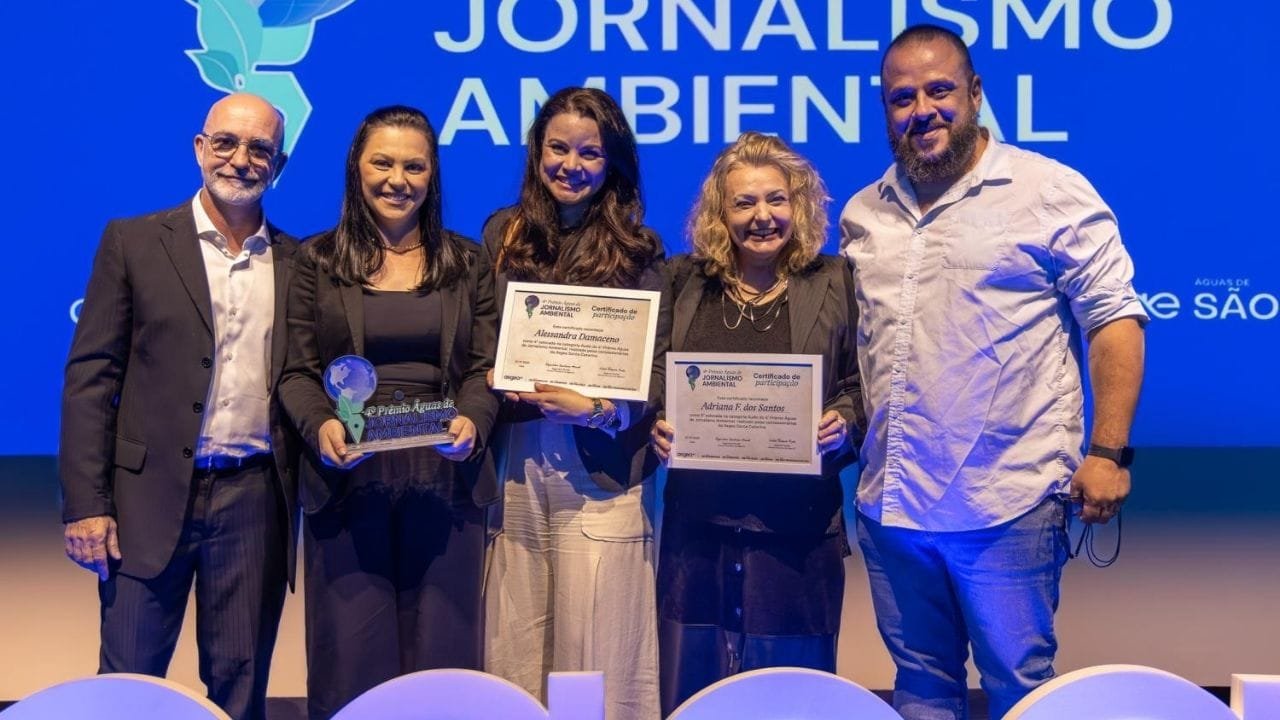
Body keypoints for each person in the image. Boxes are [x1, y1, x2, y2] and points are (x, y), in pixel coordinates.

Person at [840, 24, 1148, 720]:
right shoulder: (864, 213)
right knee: (921, 687)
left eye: (939, 90)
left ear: (975, 93)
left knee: (1020, 688)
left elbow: (1115, 320)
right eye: (902, 98)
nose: (922, 110)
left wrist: (1108, 453)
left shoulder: (1049, 191)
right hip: (893, 506)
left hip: (1007, 499)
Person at [59, 93, 298, 720]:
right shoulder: (134, 242)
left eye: (260, 149)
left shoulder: (301, 262)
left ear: (279, 165)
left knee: (240, 688)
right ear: (199, 148)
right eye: (226, 142)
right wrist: (86, 504)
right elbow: (91, 378)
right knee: (129, 688)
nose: (241, 159)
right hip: (145, 501)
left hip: (253, 500)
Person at [278, 105, 498, 720]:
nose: (398, 179)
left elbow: (485, 369)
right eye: (383, 163)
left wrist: (473, 420)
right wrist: (321, 425)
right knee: (352, 664)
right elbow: (296, 372)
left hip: (446, 482)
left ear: (432, 175)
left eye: (414, 166)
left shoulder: (467, 261)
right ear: (357, 167)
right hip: (349, 481)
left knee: (443, 664)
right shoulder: (317, 261)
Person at [649, 131, 865, 715]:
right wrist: (658, 422)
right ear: (721, 214)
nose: (762, 216)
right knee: (696, 695)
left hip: (797, 531)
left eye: (776, 199)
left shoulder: (836, 280)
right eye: (744, 203)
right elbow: (657, 375)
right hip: (700, 527)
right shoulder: (683, 280)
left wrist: (843, 421)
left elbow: (860, 384)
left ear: (800, 205)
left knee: (792, 699)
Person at [480, 86, 669, 720]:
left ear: (613, 161)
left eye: (590, 153)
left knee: (598, 656)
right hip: (518, 462)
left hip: (601, 470)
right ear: (537, 151)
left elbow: (653, 373)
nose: (571, 165)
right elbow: (484, 333)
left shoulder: (640, 250)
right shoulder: (503, 234)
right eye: (558, 148)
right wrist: (491, 374)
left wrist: (595, 409)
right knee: (516, 649)